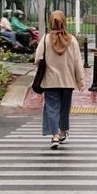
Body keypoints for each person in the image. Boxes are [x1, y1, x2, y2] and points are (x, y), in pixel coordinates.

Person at [34, 10, 85, 149]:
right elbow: (78, 63)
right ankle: (63, 131)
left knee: (52, 108)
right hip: (68, 82)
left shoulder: (45, 39)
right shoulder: (72, 40)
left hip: (50, 82)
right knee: (64, 108)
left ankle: (54, 136)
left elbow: (38, 59)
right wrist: (80, 82)